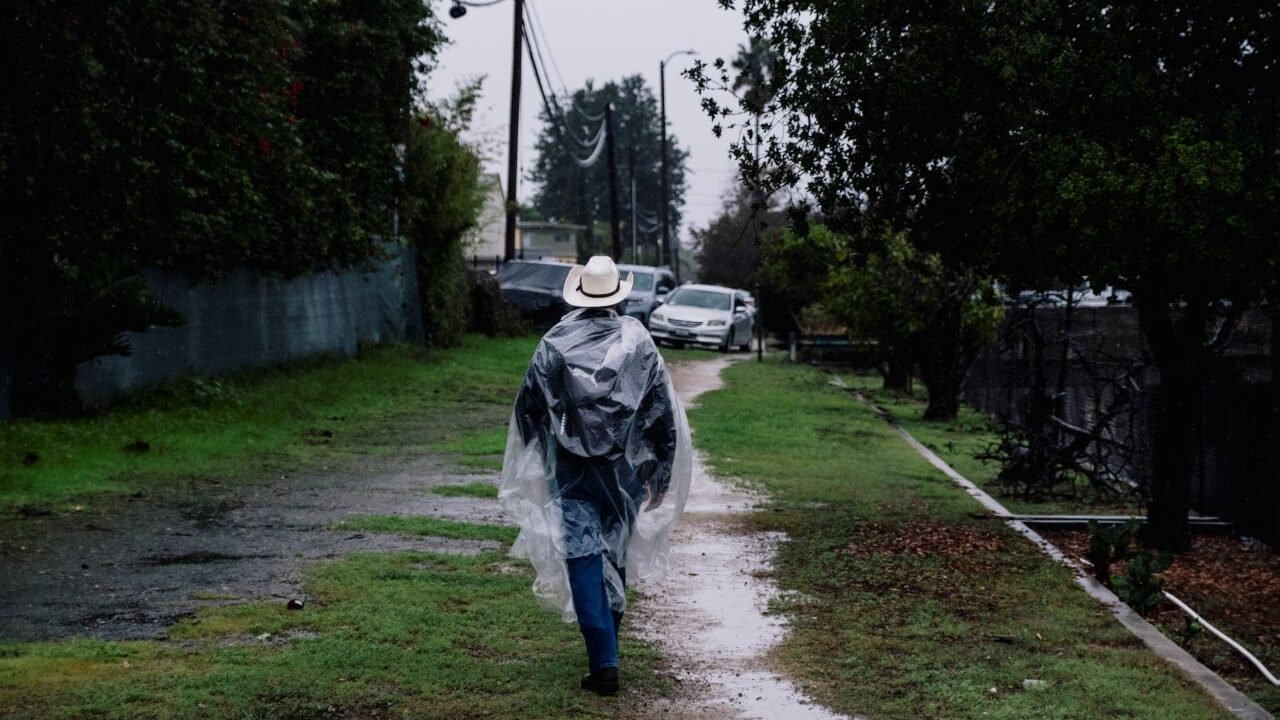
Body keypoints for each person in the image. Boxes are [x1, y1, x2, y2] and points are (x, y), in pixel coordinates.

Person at [500, 255, 692, 695]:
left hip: (570, 471)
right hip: (623, 470)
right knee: (614, 553)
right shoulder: (637, 341)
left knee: (583, 557)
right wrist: (659, 470)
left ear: (580, 293)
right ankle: (607, 651)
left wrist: (536, 452)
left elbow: (529, 406)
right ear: (616, 297)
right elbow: (659, 408)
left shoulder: (555, 342)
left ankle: (604, 661)